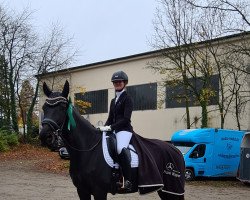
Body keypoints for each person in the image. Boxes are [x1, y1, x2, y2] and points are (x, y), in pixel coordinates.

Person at [99, 70, 134, 191]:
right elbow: (110, 119)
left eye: (119, 81)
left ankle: (128, 180)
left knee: (120, 148)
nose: (117, 83)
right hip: (113, 130)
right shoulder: (113, 101)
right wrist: (102, 128)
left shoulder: (128, 98)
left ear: (124, 83)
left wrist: (111, 127)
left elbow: (126, 119)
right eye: (115, 82)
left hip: (124, 130)